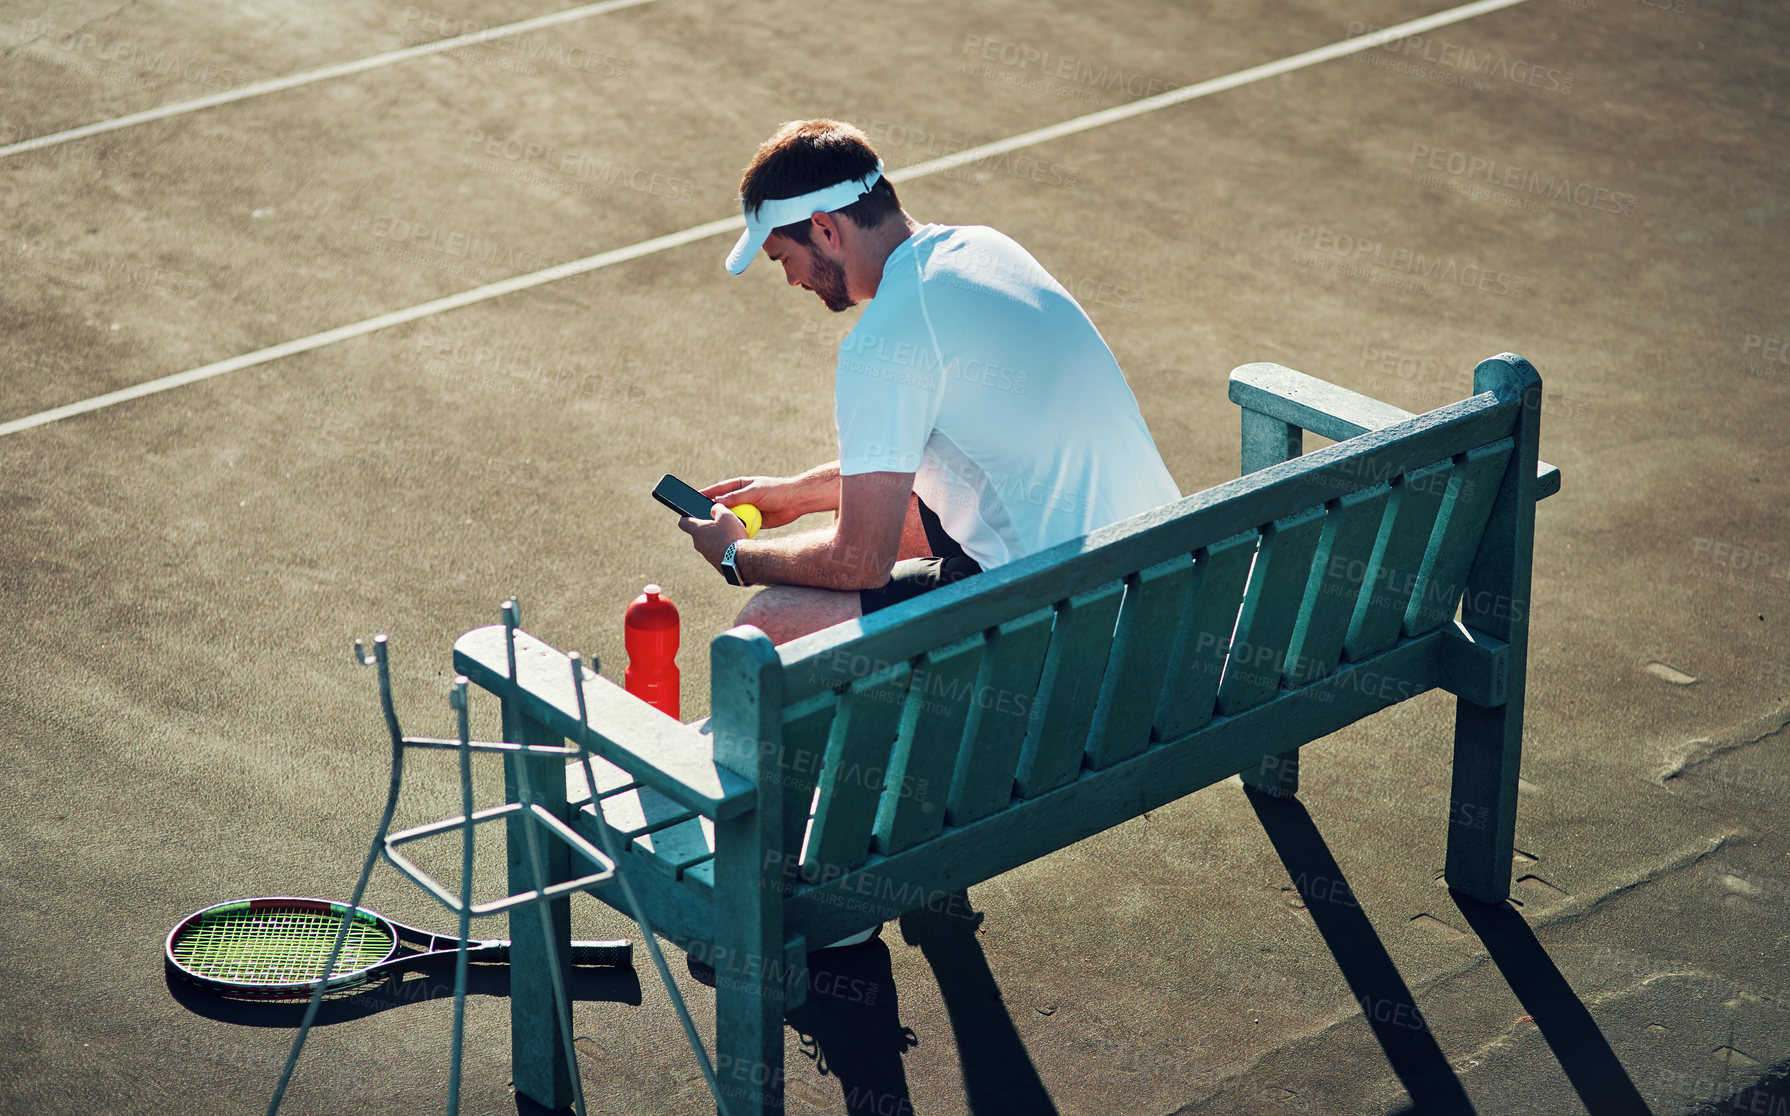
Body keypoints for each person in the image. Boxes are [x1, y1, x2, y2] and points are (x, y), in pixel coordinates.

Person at [678, 119, 1181, 644]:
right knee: (919, 519)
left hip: (1079, 622)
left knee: (768, 622)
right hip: (1172, 573)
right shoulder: (989, 248)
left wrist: (737, 555)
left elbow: (859, 564)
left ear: (826, 230)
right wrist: (798, 494)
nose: (792, 280)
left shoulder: (882, 342)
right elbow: (936, 456)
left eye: (785, 258)